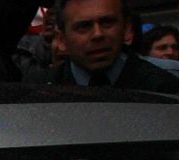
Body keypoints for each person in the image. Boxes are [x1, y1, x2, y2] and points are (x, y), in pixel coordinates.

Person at [47, 0, 179, 92]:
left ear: (127, 29)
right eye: (84, 26)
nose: (98, 34)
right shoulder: (42, 89)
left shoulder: (165, 88)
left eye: (107, 22)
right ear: (62, 39)